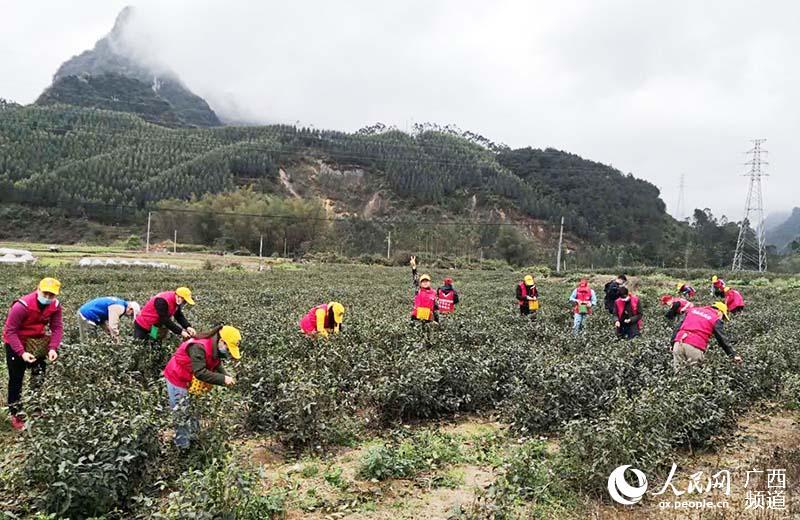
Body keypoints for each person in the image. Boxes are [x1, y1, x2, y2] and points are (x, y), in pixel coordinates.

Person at [163, 325, 241, 449]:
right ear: (222, 341)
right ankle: (182, 448)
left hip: (190, 380)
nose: (228, 352)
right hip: (177, 378)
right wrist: (223, 379)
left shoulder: (214, 345)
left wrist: (226, 376)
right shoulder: (199, 347)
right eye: (228, 348)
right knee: (182, 414)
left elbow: (215, 364)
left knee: (194, 410)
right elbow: (200, 372)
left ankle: (194, 441)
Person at [2, 278, 63, 430]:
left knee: (39, 375)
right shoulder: (21, 306)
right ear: (38, 289)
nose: (48, 297)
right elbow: (10, 331)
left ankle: (35, 407)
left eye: (51, 295)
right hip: (16, 343)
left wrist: (53, 348)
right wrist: (22, 353)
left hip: (37, 342)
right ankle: (15, 412)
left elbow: (57, 327)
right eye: (45, 293)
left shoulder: (55, 306)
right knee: (16, 379)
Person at [671, 302, 742, 371]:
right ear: (720, 312)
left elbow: (677, 327)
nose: (721, 319)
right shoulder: (715, 318)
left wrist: (672, 343)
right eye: (723, 317)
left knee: (678, 373)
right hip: (694, 345)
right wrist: (733, 355)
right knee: (695, 373)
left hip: (678, 342)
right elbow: (722, 339)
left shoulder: (692, 310)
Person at [410, 256, 439, 324]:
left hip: (429, 319)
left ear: (430, 282)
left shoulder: (434, 292)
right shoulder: (418, 290)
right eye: (423, 281)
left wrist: (437, 321)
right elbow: (416, 279)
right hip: (417, 318)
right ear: (420, 283)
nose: (425, 282)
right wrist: (414, 268)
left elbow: (436, 307)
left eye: (427, 281)